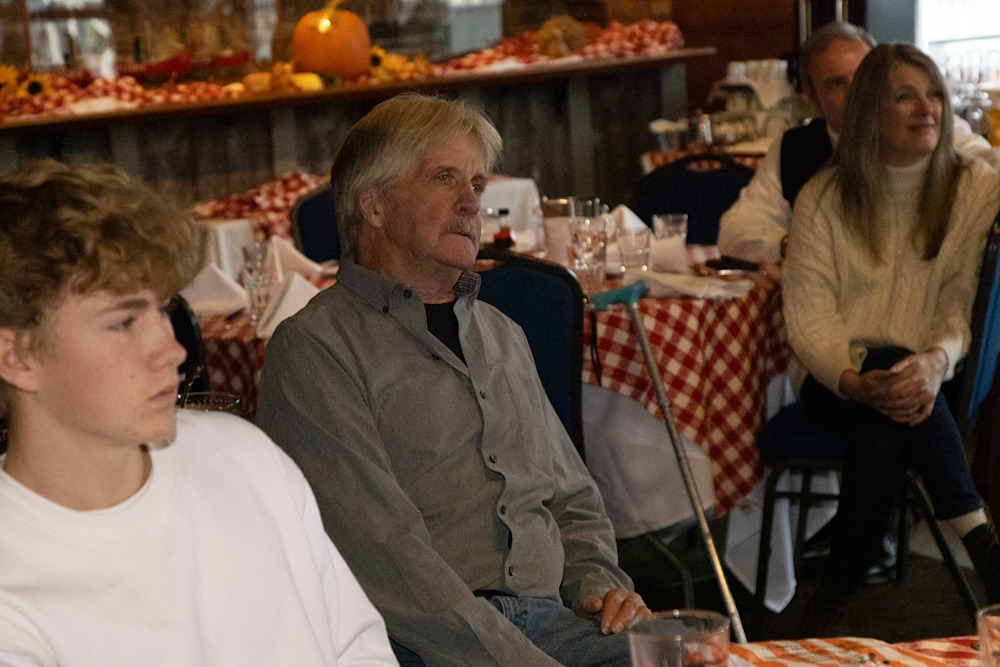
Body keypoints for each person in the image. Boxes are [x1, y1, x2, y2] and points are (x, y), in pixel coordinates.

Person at [256, 92, 651, 666]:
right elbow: (384, 560)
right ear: (374, 206)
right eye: (445, 179)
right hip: (417, 647)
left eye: (477, 184)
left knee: (698, 656)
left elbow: (572, 499)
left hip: (554, 627)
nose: (471, 204)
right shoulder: (316, 349)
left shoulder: (501, 333)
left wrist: (599, 587)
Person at [0, 160, 397, 666]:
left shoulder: (241, 455)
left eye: (162, 311)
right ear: (16, 357)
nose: (171, 350)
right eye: (123, 323)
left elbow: (358, 648)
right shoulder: (14, 588)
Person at [783, 43, 1000, 635]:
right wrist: (855, 380)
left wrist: (932, 361)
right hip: (836, 379)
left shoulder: (974, 187)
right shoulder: (823, 196)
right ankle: (979, 538)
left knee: (884, 426)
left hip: (935, 380)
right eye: (906, 96)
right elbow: (807, 318)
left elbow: (959, 301)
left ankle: (833, 597)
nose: (927, 109)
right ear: (869, 111)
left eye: (934, 95)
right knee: (884, 379)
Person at [717, 21, 999, 266]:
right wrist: (798, 244)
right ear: (812, 95)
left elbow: (987, 163)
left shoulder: (923, 129)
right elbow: (735, 232)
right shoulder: (795, 148)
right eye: (837, 84)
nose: (857, 92)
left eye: (866, 77)